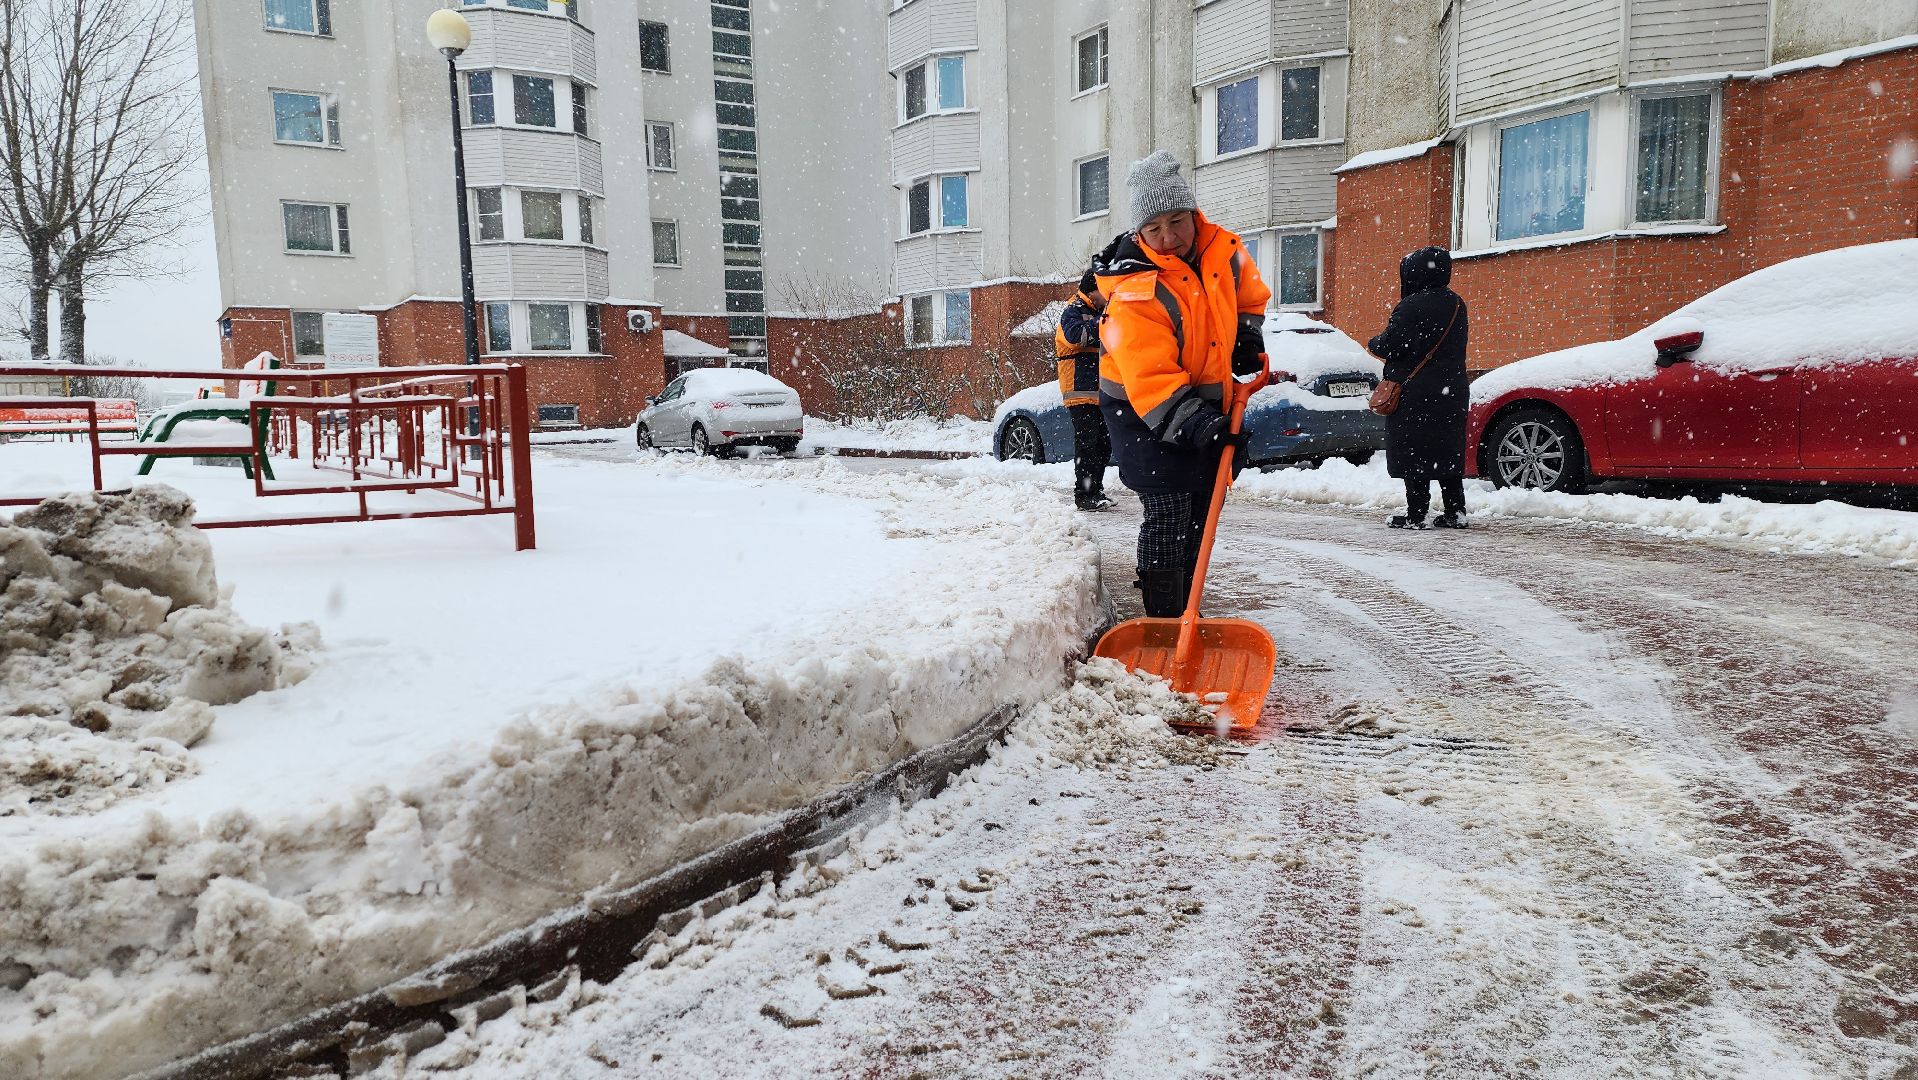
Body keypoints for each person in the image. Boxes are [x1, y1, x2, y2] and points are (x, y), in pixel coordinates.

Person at [1097, 151, 1270, 617]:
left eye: (1177, 222)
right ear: (1140, 234)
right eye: (1154, 229)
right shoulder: (1134, 290)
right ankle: (1164, 616)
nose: (1169, 238)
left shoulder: (1225, 252)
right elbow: (1149, 375)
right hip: (1142, 408)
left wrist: (1247, 333)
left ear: (1194, 215)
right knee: (1169, 503)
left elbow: (1251, 295)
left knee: (1201, 501)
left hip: (1204, 400)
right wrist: (1198, 425)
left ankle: (1186, 603)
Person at [1368, 246, 1471, 529]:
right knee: (1447, 450)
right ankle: (1455, 511)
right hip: (1453, 391)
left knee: (1414, 450)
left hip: (1416, 393)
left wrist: (1374, 342)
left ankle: (1417, 514)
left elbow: (1393, 344)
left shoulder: (1411, 305)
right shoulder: (1457, 304)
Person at [1056, 252, 1117, 511]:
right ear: (1092, 291)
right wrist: (1105, 325)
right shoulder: (1072, 311)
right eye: (1105, 291)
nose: (1108, 297)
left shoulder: (1100, 312)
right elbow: (1075, 337)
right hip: (1079, 391)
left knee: (1103, 443)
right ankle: (1084, 495)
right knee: (1087, 443)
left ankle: (1096, 489)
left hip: (1100, 390)